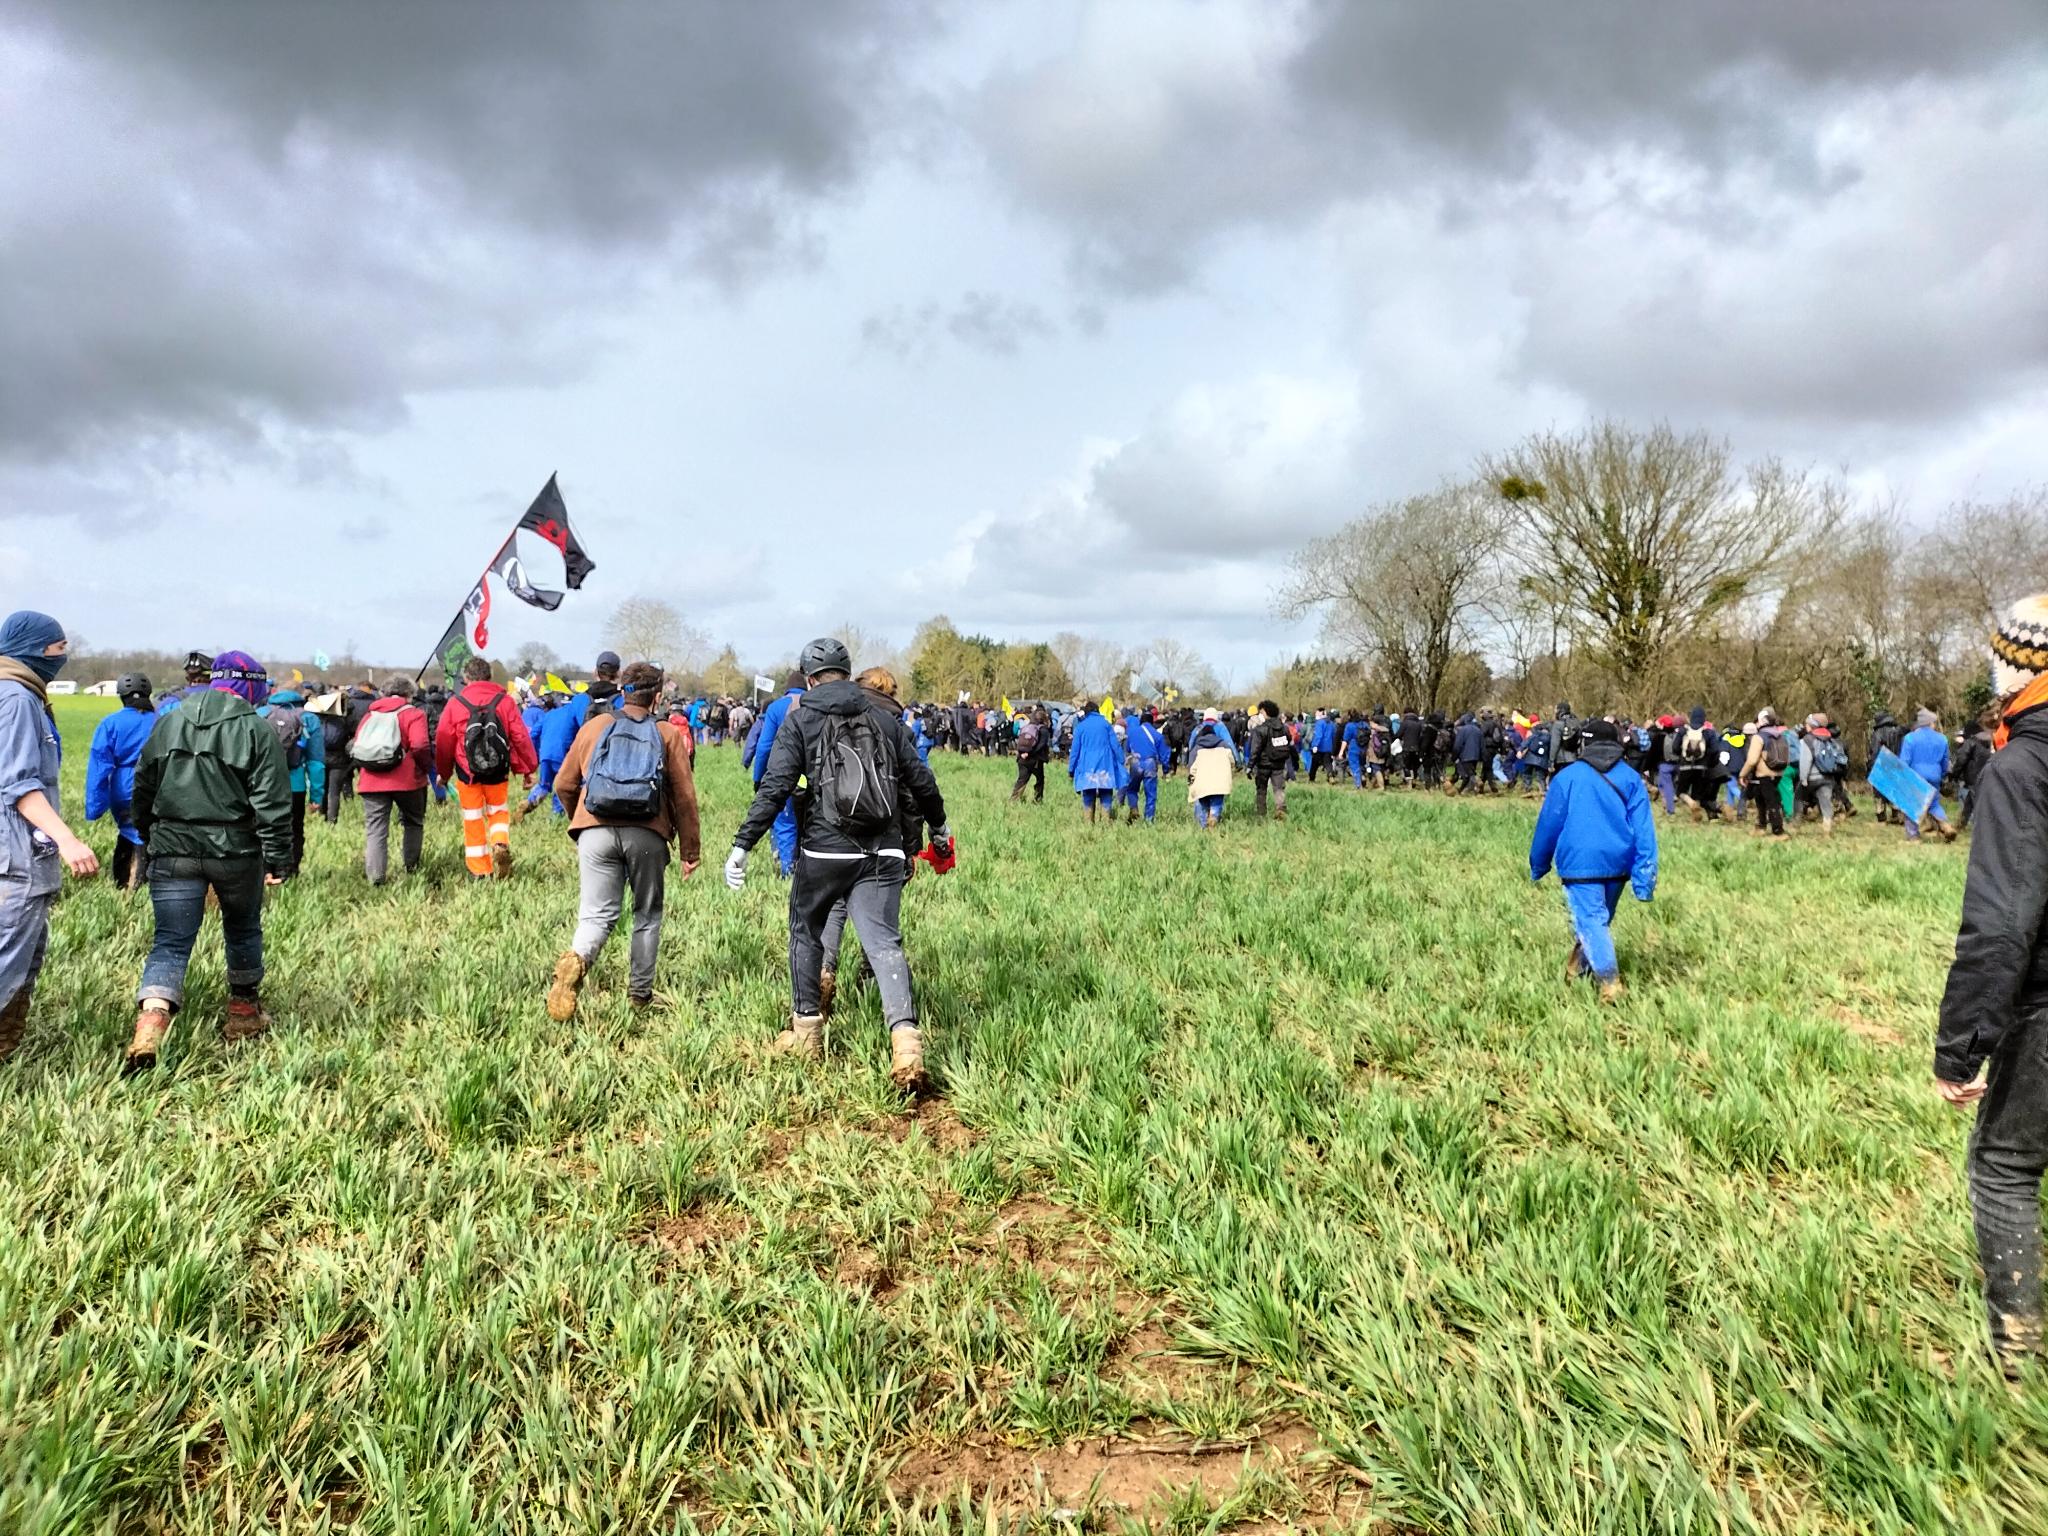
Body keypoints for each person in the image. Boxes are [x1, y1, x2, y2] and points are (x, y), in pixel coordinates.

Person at [724, 638, 950, 1090]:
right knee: (885, 943)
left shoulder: (800, 719)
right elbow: (922, 781)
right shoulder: (886, 721)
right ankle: (906, 1045)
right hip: (884, 851)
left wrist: (743, 845)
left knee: (806, 932)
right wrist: (939, 830)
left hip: (825, 850)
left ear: (809, 679)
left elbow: (776, 787)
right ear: (847, 673)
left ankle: (807, 1034)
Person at [1934, 594, 2048, 1377]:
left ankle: (2017, 1350)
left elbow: (2003, 926)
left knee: (2004, 1165)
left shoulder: (2020, 766)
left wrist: (1959, 1049)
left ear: (2018, 664)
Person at [125, 650, 292, 1072]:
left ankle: (151, 1024)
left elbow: (143, 785)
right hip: (236, 853)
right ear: (250, 685)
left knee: (170, 941)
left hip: (172, 848)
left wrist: (149, 836)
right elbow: (272, 802)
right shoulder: (256, 729)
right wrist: (278, 858)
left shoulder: (169, 720)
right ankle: (243, 1014)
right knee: (242, 927)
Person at [545, 662, 700, 1017]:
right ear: (657, 697)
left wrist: (582, 822)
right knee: (647, 914)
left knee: (596, 916)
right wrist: (690, 850)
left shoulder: (596, 726)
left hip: (594, 830)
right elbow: (685, 798)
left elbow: (563, 784)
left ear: (621, 690)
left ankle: (578, 959)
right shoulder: (667, 733)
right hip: (648, 832)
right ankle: (639, 996)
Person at [0, 612, 99, 1063]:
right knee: (8, 963)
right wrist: (68, 841)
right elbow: (20, 785)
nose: (63, 656)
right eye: (59, 648)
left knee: (22, 961)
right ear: (37, 649)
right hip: (16, 857)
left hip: (18, 854)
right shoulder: (17, 699)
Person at [1529, 718, 1657, 1003]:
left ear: (1583, 743)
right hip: (1618, 864)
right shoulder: (1632, 778)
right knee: (1598, 920)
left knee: (1592, 921)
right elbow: (1644, 830)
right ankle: (1576, 969)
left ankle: (1610, 983)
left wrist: (1539, 864)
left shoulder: (1567, 777)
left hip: (1579, 863)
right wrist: (1644, 877)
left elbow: (1549, 824)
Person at [436, 657, 539, 879]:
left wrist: (443, 774)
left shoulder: (456, 703)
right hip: (498, 769)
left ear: (466, 678)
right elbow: (520, 737)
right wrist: (529, 768)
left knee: (473, 819)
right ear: (490, 676)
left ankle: (480, 871)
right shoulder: (505, 701)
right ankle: (500, 842)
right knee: (498, 811)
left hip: (467, 772)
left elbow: (444, 740)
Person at [351, 677, 432, 884]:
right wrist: (426, 768)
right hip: (407, 780)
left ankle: (376, 877)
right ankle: (411, 867)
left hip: (371, 780)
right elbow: (420, 745)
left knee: (376, 829)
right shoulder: (414, 714)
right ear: (409, 694)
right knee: (413, 821)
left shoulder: (370, 714)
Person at [86, 672, 159, 889]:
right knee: (150, 833)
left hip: (123, 786)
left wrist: (95, 807)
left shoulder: (111, 723)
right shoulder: (160, 720)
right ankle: (144, 881)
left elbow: (99, 768)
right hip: (156, 785)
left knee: (128, 831)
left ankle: (125, 883)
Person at [256, 677, 325, 877]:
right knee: (294, 829)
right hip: (295, 785)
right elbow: (316, 762)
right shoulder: (308, 718)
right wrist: (316, 796)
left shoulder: (260, 714)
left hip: (263, 784)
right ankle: (289, 871)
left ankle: (266, 869)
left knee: (264, 827)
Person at [743, 672, 807, 874]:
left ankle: (789, 872)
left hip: (783, 775)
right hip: (812, 776)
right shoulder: (815, 704)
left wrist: (759, 778)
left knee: (785, 822)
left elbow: (764, 747)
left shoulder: (777, 707)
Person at [1901, 707, 1958, 843]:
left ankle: (1913, 836)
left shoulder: (1910, 738)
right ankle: (1945, 825)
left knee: (1912, 805)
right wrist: (1942, 774)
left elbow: (1904, 761)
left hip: (1915, 775)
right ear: (1930, 723)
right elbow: (1945, 761)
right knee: (1934, 804)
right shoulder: (1942, 739)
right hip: (1934, 776)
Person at [1067, 699, 1125, 824]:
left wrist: (1071, 769)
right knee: (1106, 793)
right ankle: (1105, 821)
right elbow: (1115, 745)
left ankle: (1088, 823)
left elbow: (1075, 751)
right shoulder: (1106, 725)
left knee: (1088, 794)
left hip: (1086, 765)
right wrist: (1121, 759)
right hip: (1105, 765)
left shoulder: (1081, 727)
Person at [1739, 709, 1791, 839]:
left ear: (1762, 721)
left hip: (1764, 774)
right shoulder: (1780, 735)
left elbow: (1752, 760)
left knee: (1771, 802)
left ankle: (1778, 831)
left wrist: (1742, 774)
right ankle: (1760, 826)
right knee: (1760, 799)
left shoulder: (1759, 737)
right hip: (1778, 772)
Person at [1795, 714, 1845, 835]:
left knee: (1798, 798)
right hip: (1828, 777)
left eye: (1807, 724)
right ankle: (1827, 827)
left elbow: (1805, 761)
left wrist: (1803, 778)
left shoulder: (1807, 740)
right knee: (1825, 802)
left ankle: (1795, 825)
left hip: (1811, 777)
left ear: (1812, 726)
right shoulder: (1830, 738)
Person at [1187, 708, 1235, 828]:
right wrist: (1236, 764)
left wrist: (1190, 773)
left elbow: (1190, 747)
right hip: (1219, 777)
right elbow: (1230, 747)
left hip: (1202, 777)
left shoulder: (1198, 731)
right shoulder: (1221, 731)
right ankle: (1214, 816)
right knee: (1217, 799)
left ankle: (1202, 824)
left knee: (1201, 800)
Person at [1244, 702, 1292, 819]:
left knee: (1261, 789)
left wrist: (1250, 766)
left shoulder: (1260, 729)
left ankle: (1261, 814)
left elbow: (1255, 750)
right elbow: (1288, 741)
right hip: (1279, 763)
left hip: (1263, 765)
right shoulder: (1284, 728)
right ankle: (1281, 809)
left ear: (1265, 712)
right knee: (1279, 789)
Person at [1119, 708, 1167, 823]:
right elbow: (1164, 754)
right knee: (1150, 794)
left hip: (1136, 763)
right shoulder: (1157, 735)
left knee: (1131, 789)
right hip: (1150, 764)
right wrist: (1166, 770)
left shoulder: (1132, 732)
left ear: (1141, 721)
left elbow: (1128, 749)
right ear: (1152, 722)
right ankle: (1149, 820)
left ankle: (1134, 807)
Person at [1956, 710, 1996, 830]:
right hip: (1990, 774)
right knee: (1970, 800)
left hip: (1973, 775)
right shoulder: (1994, 739)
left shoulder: (1971, 741)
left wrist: (1954, 774)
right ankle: (1961, 824)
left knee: (1977, 802)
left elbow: (1961, 759)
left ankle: (1982, 827)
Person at [1867, 709, 1905, 822]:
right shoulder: (1898, 732)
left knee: (1879, 792)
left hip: (1881, 764)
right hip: (1897, 764)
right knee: (1894, 790)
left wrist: (1871, 767)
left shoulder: (1877, 733)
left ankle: (1881, 817)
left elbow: (1875, 751)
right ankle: (1896, 815)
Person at [1011, 707, 1049, 802]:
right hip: (1035, 760)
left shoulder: (1026, 727)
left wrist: (1023, 753)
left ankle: (1013, 800)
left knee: (1022, 780)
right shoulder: (1043, 730)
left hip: (1022, 758)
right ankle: (1037, 800)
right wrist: (1030, 753)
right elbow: (1041, 745)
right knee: (1040, 780)